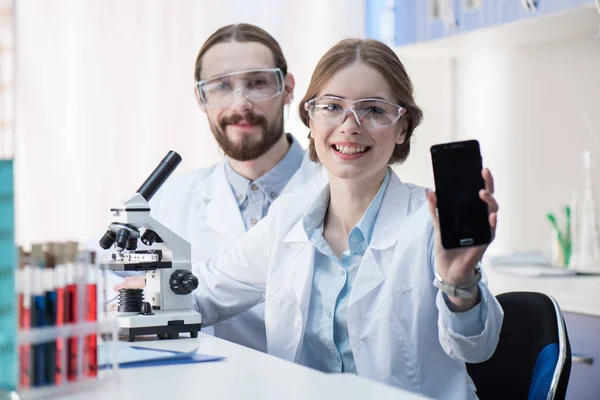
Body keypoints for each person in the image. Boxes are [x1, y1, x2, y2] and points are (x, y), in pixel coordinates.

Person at [118, 37, 503, 399]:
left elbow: (476, 347)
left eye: (373, 109)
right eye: (332, 107)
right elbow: (204, 295)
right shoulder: (288, 218)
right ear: (310, 118)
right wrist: (141, 293)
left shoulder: (426, 222)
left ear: (401, 127)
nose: (349, 125)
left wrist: (459, 285)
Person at [111, 23, 324, 353]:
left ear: (287, 88)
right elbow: (106, 282)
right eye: (221, 86)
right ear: (201, 97)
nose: (241, 105)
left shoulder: (335, 191)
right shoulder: (170, 202)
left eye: (256, 83)